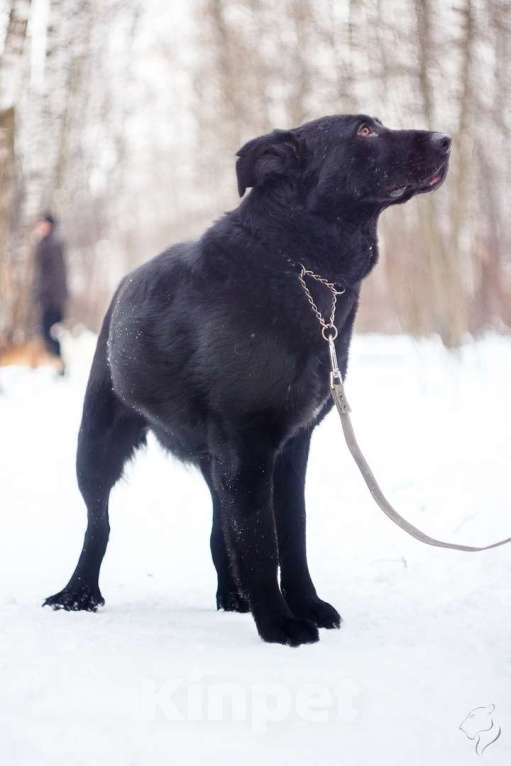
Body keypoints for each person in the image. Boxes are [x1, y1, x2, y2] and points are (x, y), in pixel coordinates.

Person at [34, 212, 68, 372]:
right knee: (46, 331)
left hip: (53, 298)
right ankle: (56, 364)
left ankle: (59, 365)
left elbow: (57, 274)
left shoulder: (53, 244)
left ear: (50, 226)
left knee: (51, 331)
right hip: (46, 296)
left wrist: (56, 299)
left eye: (44, 224)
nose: (41, 227)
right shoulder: (44, 243)